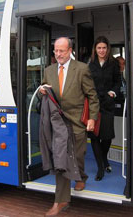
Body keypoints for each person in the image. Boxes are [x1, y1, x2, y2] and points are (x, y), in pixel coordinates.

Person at [39, 37, 99, 216]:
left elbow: (93, 96)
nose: (58, 54)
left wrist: (92, 118)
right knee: (62, 161)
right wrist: (42, 89)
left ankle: (81, 176)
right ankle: (61, 201)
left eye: (62, 51)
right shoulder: (49, 70)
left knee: (77, 156)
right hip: (58, 124)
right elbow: (45, 88)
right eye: (56, 51)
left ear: (70, 50)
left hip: (77, 123)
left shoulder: (81, 69)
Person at [89, 36, 121, 181]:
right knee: (95, 136)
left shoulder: (113, 64)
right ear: (95, 50)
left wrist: (113, 93)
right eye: (99, 48)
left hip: (107, 104)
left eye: (104, 48)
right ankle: (101, 167)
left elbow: (117, 82)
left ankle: (103, 160)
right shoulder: (90, 65)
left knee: (107, 137)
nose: (101, 50)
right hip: (94, 105)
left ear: (108, 49)